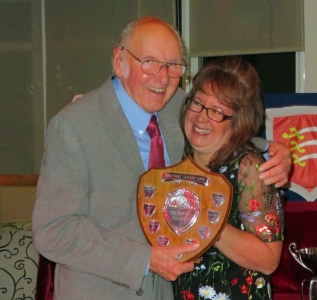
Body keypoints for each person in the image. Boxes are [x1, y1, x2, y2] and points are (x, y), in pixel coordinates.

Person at [32, 17, 290, 300]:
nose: (163, 77)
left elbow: (221, 123)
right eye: (149, 62)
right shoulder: (74, 125)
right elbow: (53, 230)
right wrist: (144, 259)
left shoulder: (175, 106)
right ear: (119, 61)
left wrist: (272, 150)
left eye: (173, 65)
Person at [173, 56, 284, 300]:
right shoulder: (176, 154)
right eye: (198, 104)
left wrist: (206, 221)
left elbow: (269, 259)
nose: (201, 117)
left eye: (217, 112)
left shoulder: (248, 167)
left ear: (237, 121)